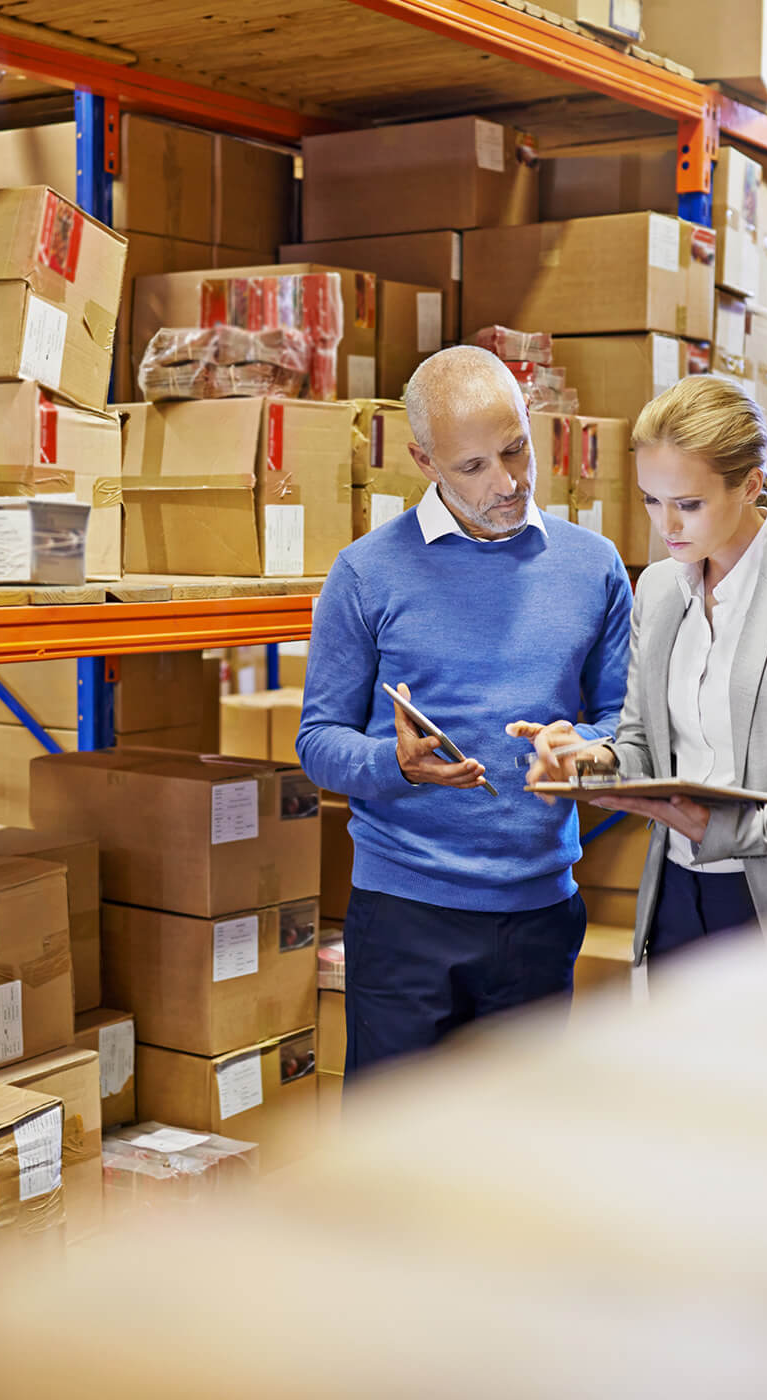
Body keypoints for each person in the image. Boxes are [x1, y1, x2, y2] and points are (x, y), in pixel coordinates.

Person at [296, 346, 632, 1076]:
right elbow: (318, 741)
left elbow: (624, 727)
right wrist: (395, 764)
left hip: (541, 914)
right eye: (473, 466)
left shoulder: (595, 566)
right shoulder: (365, 573)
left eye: (515, 450)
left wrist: (584, 756)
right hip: (404, 917)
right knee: (393, 1139)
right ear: (424, 461)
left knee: (518, 1138)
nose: (506, 483)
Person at [517, 375, 767, 965]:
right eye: (651, 499)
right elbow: (642, 745)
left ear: (749, 485)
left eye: (688, 505)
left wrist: (738, 832)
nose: (666, 525)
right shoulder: (659, 589)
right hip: (677, 894)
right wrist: (587, 763)